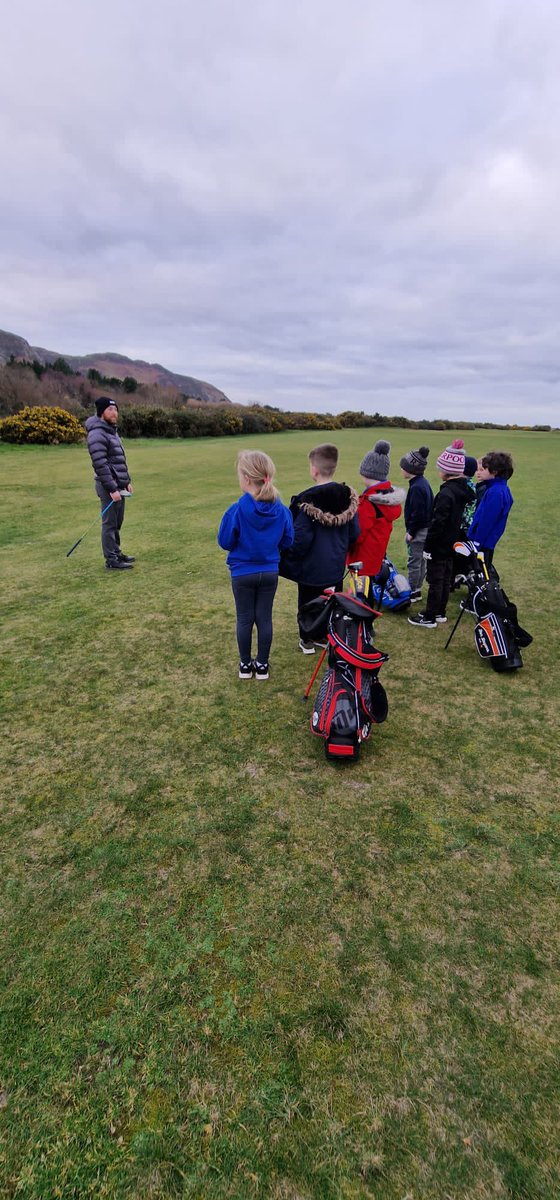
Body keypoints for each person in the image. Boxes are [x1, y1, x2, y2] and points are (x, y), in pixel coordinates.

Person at [218, 450, 293, 680]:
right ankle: (261, 665)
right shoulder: (281, 510)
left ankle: (245, 665)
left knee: (244, 618)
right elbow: (288, 540)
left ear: (247, 478)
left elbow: (225, 541)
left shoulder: (237, 510)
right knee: (264, 617)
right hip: (269, 572)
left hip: (242, 573)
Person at [280, 443, 360, 653]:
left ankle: (308, 638)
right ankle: (324, 635)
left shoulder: (307, 501)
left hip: (311, 567)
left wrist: (289, 556)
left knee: (308, 602)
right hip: (334, 565)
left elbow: (300, 539)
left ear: (314, 470)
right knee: (329, 601)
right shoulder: (347, 498)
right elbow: (354, 533)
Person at [408, 439, 471, 628]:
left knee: (435, 580)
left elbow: (437, 523)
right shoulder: (461, 490)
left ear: (447, 470)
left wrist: (428, 546)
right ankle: (440, 612)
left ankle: (429, 616)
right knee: (445, 578)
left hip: (440, 545)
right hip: (451, 543)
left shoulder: (446, 494)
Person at [348, 440, 405, 599]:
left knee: (359, 594)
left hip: (361, 557)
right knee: (368, 589)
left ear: (367, 473)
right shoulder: (388, 498)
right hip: (376, 555)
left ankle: (361, 620)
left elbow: (358, 533)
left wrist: (347, 542)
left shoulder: (368, 503)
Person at [85, 397, 134, 570]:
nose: (114, 413)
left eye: (116, 409)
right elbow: (100, 464)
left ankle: (117, 552)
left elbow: (118, 460)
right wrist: (112, 487)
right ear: (101, 412)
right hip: (108, 486)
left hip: (119, 485)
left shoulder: (111, 431)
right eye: (110, 410)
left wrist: (126, 482)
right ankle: (111, 560)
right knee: (109, 523)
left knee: (117, 521)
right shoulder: (97, 433)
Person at [399, 445, 433, 602]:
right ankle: (417, 589)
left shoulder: (417, 488)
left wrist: (411, 532)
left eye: (403, 466)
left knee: (414, 562)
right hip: (425, 530)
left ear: (411, 469)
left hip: (419, 532)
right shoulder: (422, 483)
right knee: (420, 561)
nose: (401, 469)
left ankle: (412, 590)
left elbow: (418, 513)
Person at [468, 451, 514, 568]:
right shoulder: (497, 488)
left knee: (482, 573)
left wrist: (477, 542)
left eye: (484, 469)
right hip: (486, 540)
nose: (479, 472)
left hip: (483, 541)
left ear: (494, 471)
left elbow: (486, 520)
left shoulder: (496, 492)